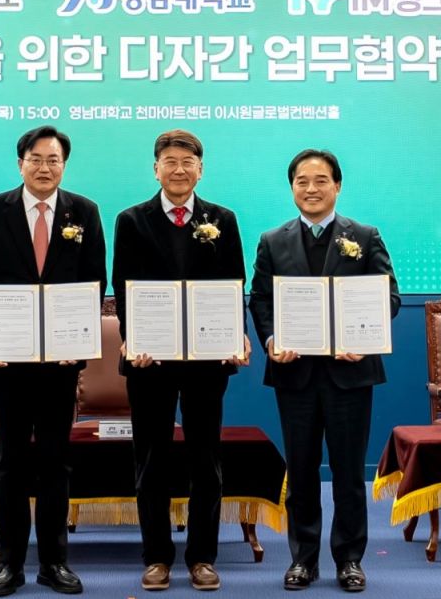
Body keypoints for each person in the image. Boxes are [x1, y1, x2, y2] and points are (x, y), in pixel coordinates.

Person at [249, 149, 400, 592]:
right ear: (292, 187)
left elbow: (388, 297)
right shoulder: (272, 240)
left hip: (350, 374)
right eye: (302, 181)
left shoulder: (365, 236)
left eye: (320, 180)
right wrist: (271, 341)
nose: (311, 189)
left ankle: (349, 559)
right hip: (294, 375)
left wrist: (364, 338)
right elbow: (260, 300)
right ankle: (303, 559)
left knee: (349, 473)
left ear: (337, 186)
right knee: (300, 471)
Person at [0, 125, 107, 596]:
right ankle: (9, 563)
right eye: (36, 159)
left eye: (54, 160)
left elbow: (94, 281)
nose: (45, 168)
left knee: (55, 461)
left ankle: (54, 561)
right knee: (9, 461)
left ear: (64, 165)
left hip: (62, 362)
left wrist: (81, 340)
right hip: (9, 359)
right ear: (20, 163)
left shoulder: (83, 211)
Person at [111, 129, 250, 592]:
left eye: (187, 163)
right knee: (151, 461)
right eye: (169, 162)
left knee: (205, 460)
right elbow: (124, 287)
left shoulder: (222, 219)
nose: (178, 170)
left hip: (206, 361)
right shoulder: (132, 220)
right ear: (156, 169)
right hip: (150, 362)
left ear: (200, 170)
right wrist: (132, 339)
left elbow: (234, 283)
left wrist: (235, 335)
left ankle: (202, 557)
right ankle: (156, 557)